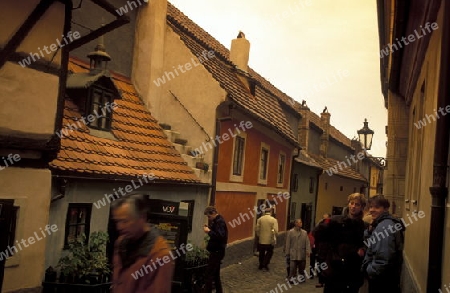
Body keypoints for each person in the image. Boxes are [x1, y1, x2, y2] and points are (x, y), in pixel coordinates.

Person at [111, 194, 174, 293]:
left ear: (142, 218)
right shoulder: (121, 243)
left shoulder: (160, 255)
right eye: (117, 221)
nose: (119, 227)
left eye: (125, 221)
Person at [313, 193, 367, 293]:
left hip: (352, 271)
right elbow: (318, 233)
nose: (353, 206)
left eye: (357, 204)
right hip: (334, 269)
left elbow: (366, 244)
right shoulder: (335, 220)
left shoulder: (363, 226)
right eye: (352, 203)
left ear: (362, 207)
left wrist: (362, 249)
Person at [361, 195, 405, 293]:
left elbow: (383, 258)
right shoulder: (383, 223)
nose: (372, 210)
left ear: (385, 209)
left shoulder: (384, 227)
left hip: (381, 280)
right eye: (371, 207)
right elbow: (374, 244)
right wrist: (369, 232)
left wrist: (369, 271)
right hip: (386, 277)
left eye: (376, 207)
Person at [203, 206, 228, 293]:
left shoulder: (219, 222)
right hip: (217, 251)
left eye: (209, 216)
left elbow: (220, 236)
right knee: (216, 275)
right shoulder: (217, 221)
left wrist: (208, 231)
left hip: (217, 252)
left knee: (209, 274)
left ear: (213, 213)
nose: (208, 218)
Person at [285, 219, 311, 284]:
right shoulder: (291, 232)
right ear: (295, 223)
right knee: (292, 268)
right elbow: (288, 243)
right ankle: (292, 278)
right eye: (298, 222)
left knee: (302, 267)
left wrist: (308, 251)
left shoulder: (304, 232)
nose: (300, 224)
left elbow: (307, 242)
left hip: (301, 252)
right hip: (293, 252)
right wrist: (287, 252)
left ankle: (301, 278)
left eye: (301, 222)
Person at [313, 213, 331, 288]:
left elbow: (315, 232)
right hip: (322, 248)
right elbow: (315, 233)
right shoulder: (321, 225)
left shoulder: (331, 225)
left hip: (328, 248)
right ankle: (322, 281)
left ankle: (324, 281)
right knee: (321, 264)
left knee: (325, 265)